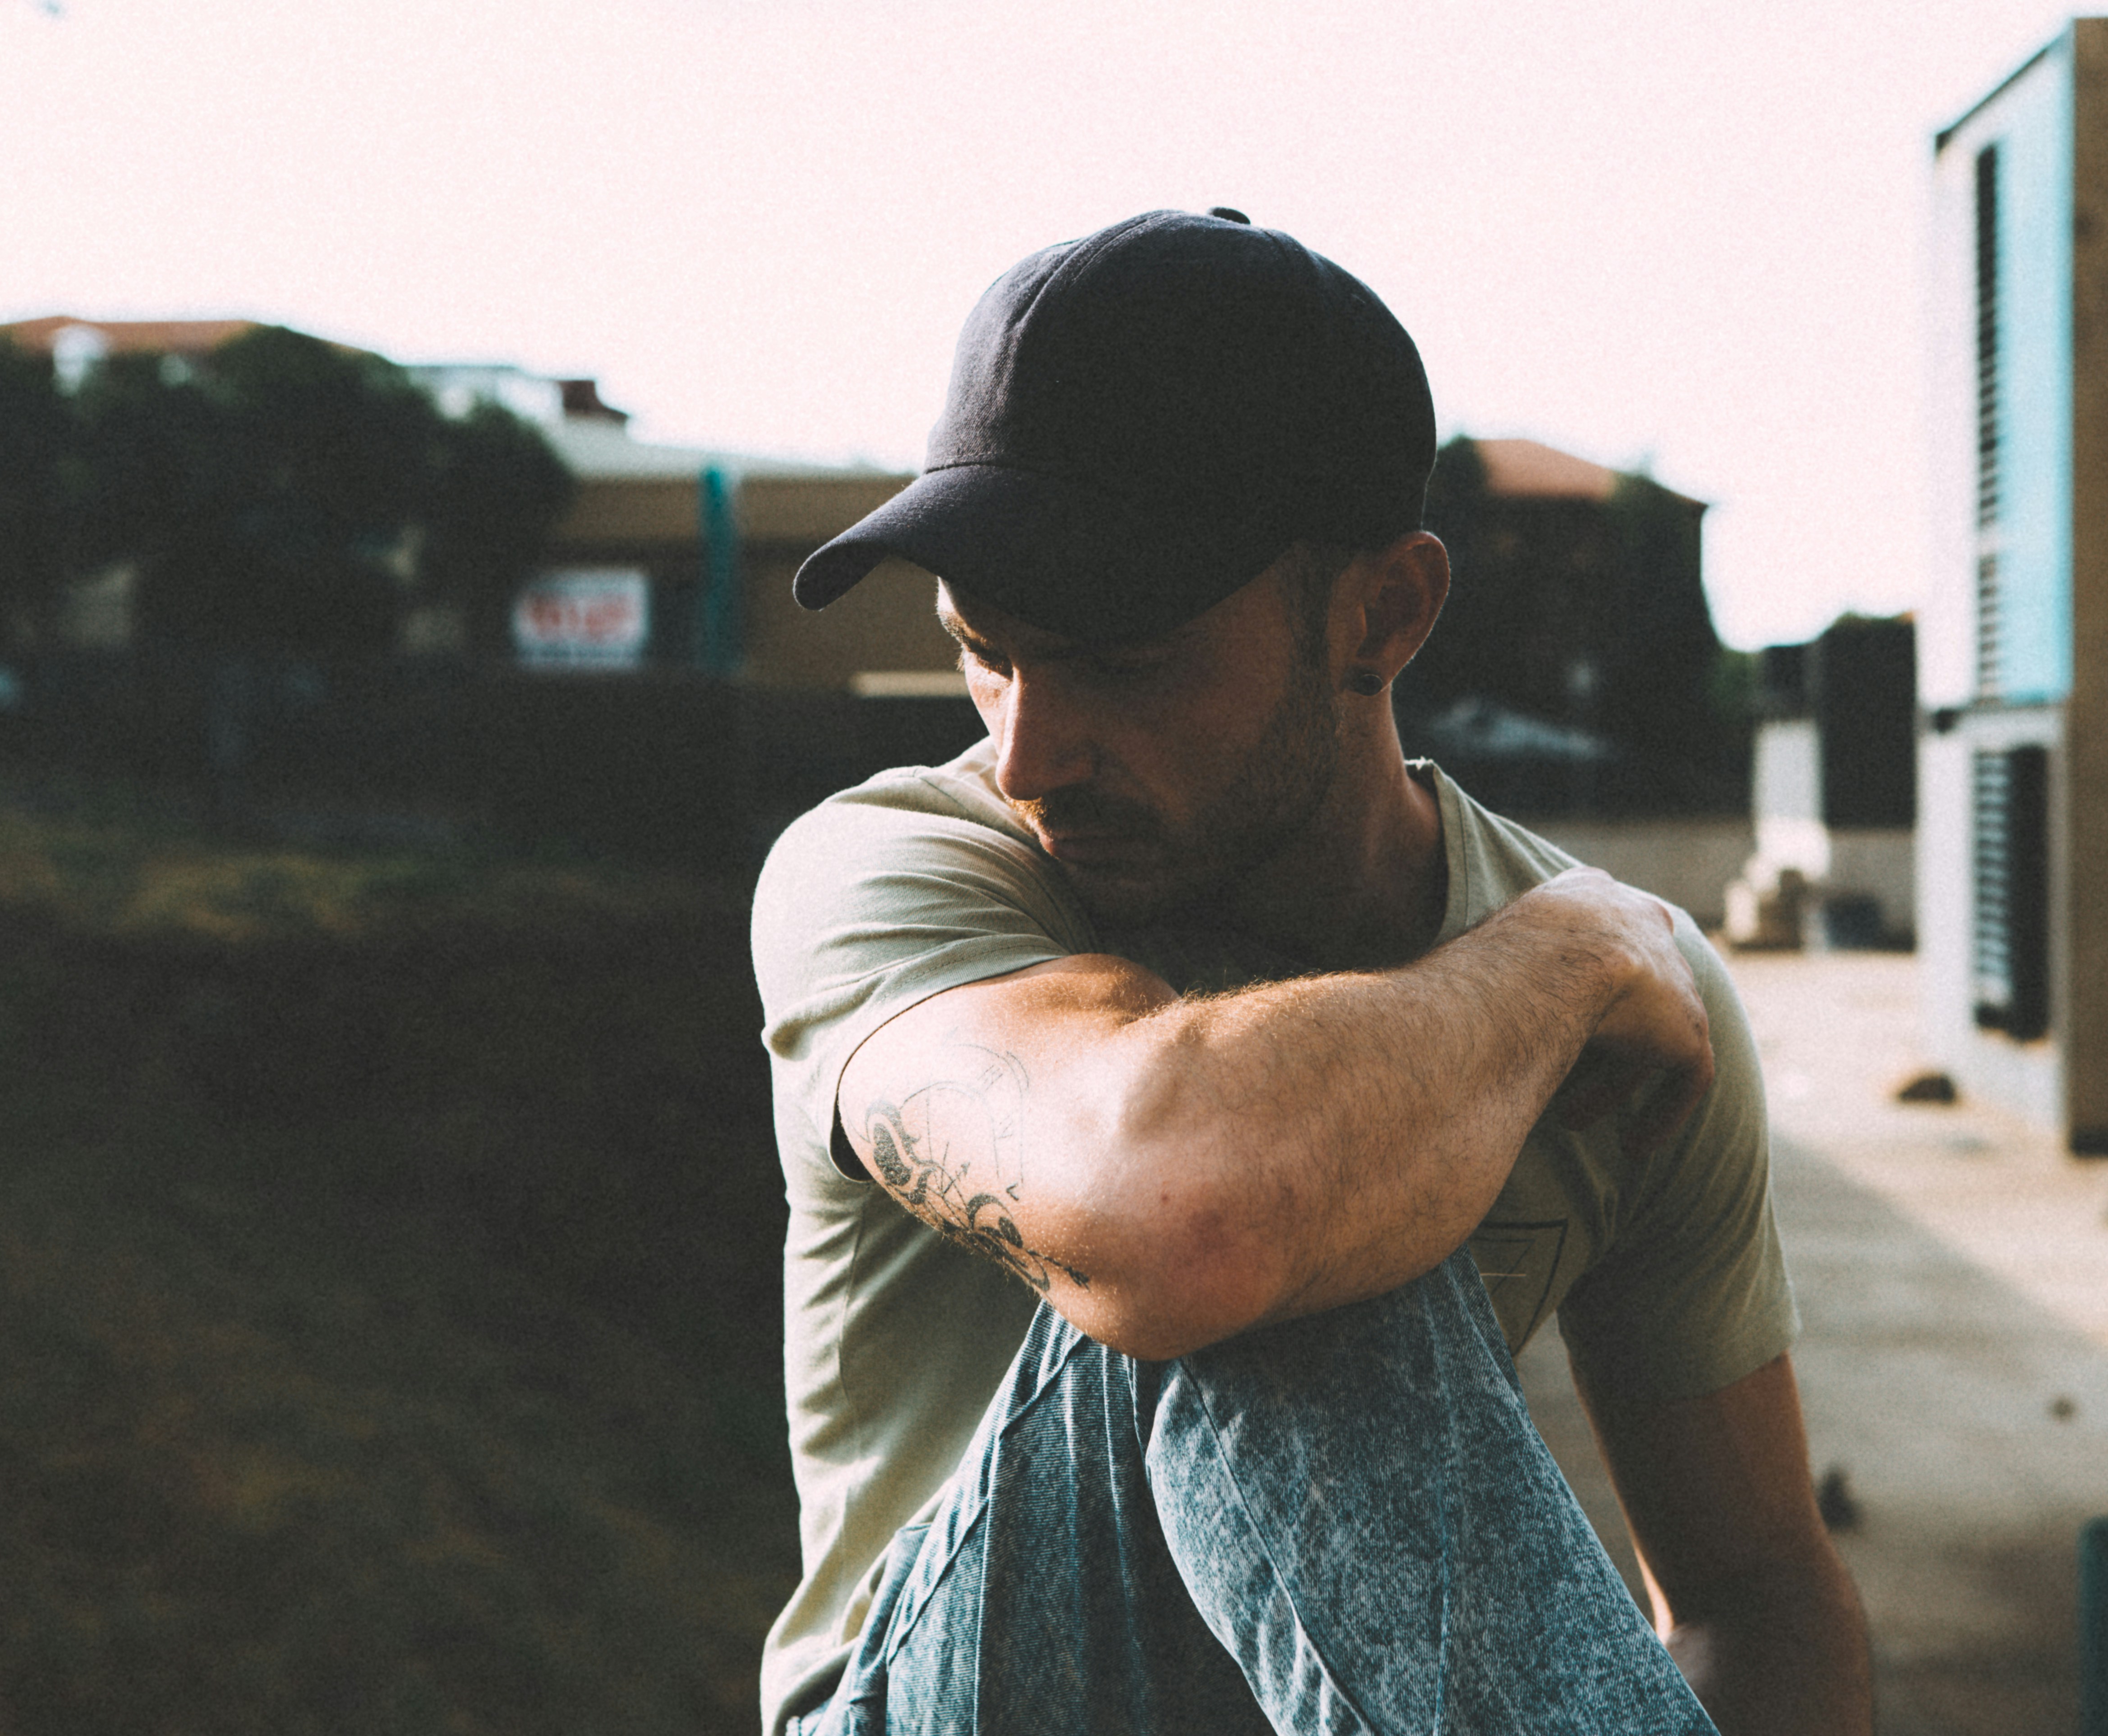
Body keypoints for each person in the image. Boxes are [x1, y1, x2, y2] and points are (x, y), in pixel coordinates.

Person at [751, 208, 1869, 1736]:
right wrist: (1559, 963)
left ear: (1383, 614)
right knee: (1276, 1195)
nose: (1026, 753)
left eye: (1122, 661)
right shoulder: (884, 868)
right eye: (985, 651)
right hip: (938, 1700)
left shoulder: (1631, 1004)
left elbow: (1755, 1590)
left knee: (1304, 1156)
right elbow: (1176, 1215)